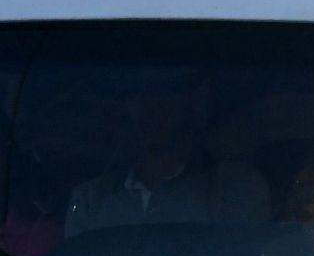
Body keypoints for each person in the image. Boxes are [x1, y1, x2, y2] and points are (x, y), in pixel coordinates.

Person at [66, 73, 270, 235]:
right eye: (137, 95)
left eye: (164, 93)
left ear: (196, 102)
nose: (149, 107)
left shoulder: (235, 189)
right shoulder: (90, 199)